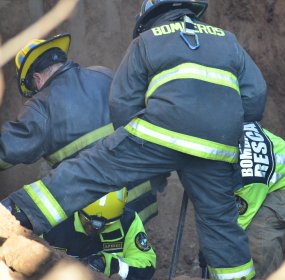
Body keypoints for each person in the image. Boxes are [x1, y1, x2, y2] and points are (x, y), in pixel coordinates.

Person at [4, 1, 267, 279]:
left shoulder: (146, 41)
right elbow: (255, 97)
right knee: (220, 222)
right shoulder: (227, 40)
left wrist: (135, 149)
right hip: (219, 143)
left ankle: (13, 215)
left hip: (161, 133)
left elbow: (123, 101)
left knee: (91, 170)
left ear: (149, 17)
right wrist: (217, 130)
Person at [0, 33, 158, 224]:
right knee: (134, 250)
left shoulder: (41, 106)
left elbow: (5, 149)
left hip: (97, 214)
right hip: (141, 199)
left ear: (36, 78)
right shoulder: (104, 74)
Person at [199, 122, 285, 279]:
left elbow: (234, 228)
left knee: (260, 228)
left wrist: (213, 251)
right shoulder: (228, 126)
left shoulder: (248, 177)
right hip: (279, 176)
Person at [41, 188, 156, 280]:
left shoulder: (128, 221)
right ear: (77, 209)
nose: (93, 228)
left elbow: (147, 266)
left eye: (105, 224)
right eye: (86, 221)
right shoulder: (55, 221)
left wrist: (111, 265)